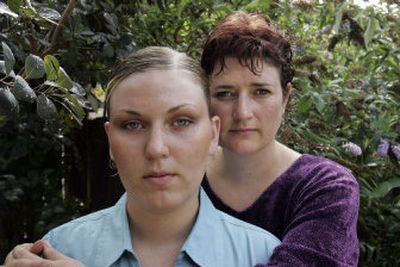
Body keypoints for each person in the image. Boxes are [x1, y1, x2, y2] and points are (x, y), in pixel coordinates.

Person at [3, 46, 280, 267]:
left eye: (181, 121)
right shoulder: (55, 250)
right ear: (111, 141)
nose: (156, 148)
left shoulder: (266, 256)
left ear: (213, 135)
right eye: (133, 125)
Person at [200, 11, 360, 266]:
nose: (242, 113)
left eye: (261, 92)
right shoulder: (184, 175)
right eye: (225, 93)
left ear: (285, 98)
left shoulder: (326, 187)